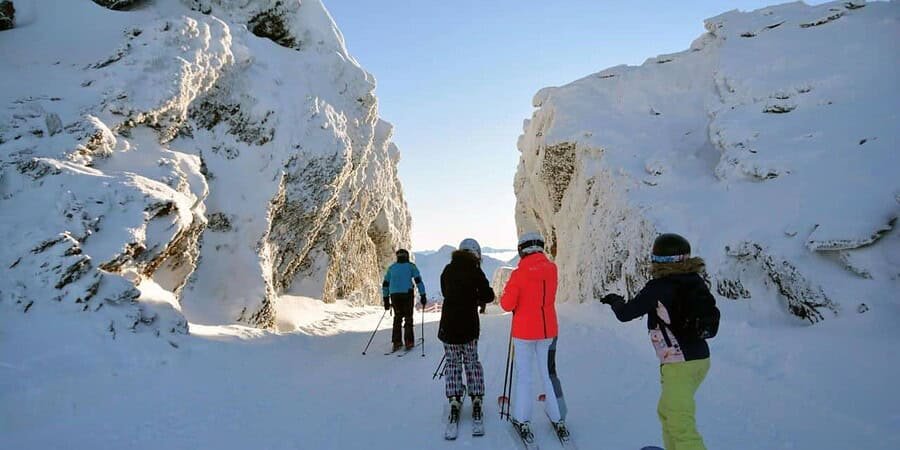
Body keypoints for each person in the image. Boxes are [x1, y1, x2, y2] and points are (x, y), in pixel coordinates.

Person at [600, 233, 713, 450]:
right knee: (667, 411)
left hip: (679, 364)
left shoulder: (659, 287)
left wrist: (615, 301)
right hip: (699, 360)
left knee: (681, 423)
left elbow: (626, 313)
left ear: (658, 260)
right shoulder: (695, 281)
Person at [500, 231, 569, 444]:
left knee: (525, 377)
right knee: (548, 374)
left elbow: (507, 304)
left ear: (522, 250)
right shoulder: (552, 269)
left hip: (524, 332)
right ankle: (558, 417)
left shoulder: (519, 274)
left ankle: (522, 418)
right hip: (548, 330)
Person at [438, 238, 495, 426]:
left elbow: (445, 292)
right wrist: (476, 295)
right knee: (471, 361)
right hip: (469, 326)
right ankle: (476, 396)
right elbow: (488, 295)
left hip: (448, 326)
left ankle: (454, 398)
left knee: (453, 363)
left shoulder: (447, 269)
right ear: (476, 254)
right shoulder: (475, 271)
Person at [382, 248, 427, 351]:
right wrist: (423, 295)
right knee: (408, 318)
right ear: (407, 257)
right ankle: (409, 342)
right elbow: (418, 281)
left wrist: (386, 300)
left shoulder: (391, 268)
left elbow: (385, 284)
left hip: (394, 295)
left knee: (397, 318)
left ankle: (397, 342)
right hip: (407, 294)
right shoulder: (411, 266)